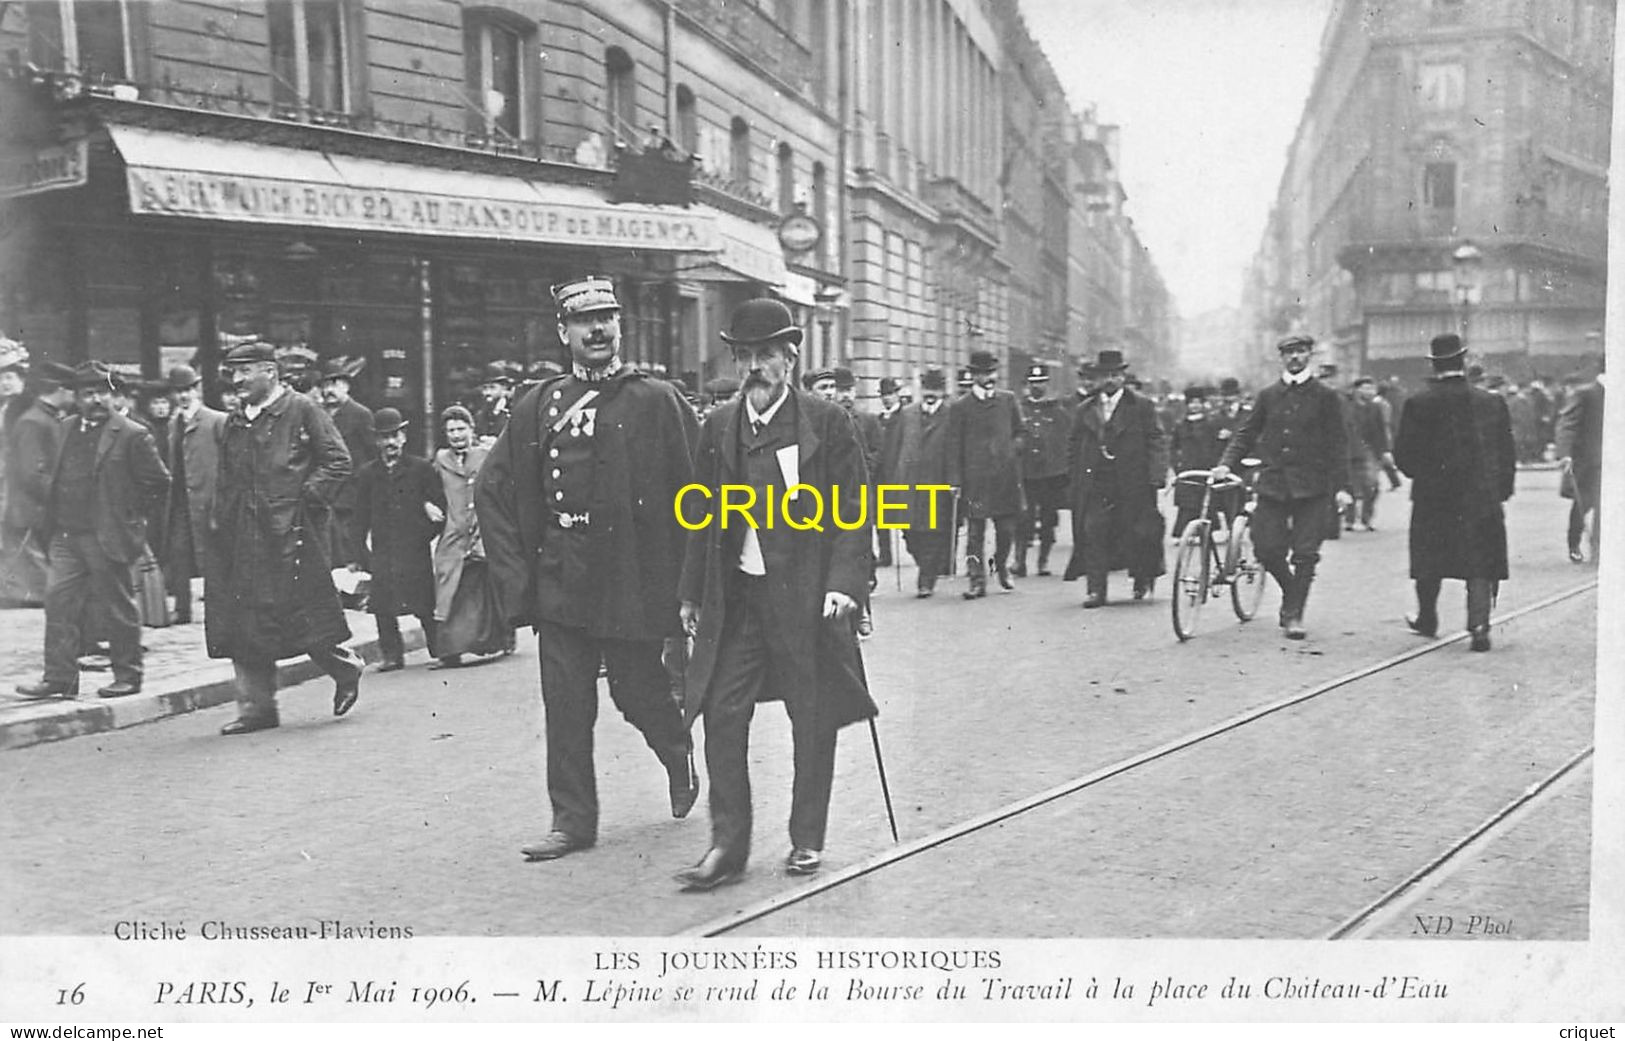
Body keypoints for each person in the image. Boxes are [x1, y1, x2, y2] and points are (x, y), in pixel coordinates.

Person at [476, 275, 698, 863]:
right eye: (583, 321)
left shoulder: (655, 399)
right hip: (562, 576)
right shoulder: (538, 405)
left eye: (606, 318)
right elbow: (492, 489)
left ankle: (676, 751)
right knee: (566, 701)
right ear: (562, 332)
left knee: (638, 691)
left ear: (620, 327)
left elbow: (698, 493)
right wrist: (515, 579)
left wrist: (690, 583)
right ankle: (571, 821)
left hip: (630, 576)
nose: (597, 329)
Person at [674, 297, 876, 889]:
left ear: (790, 358)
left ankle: (806, 839)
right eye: (744, 357)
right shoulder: (719, 426)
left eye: (765, 355)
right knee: (721, 713)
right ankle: (726, 847)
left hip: (806, 601)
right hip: (740, 600)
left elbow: (853, 513)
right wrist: (691, 593)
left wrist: (846, 587)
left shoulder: (826, 422)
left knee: (811, 718)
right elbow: (701, 516)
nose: (754, 367)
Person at [207, 340, 364, 735]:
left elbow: (338, 461)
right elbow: (227, 478)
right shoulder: (235, 421)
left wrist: (304, 502)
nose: (236, 380)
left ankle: (346, 669)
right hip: (245, 536)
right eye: (232, 372)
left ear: (270, 372)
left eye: (245, 371)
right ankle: (256, 709)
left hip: (292, 536)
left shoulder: (302, 409)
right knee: (244, 621)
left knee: (305, 617)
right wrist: (221, 521)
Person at [15, 362, 169, 700]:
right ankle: (60, 678)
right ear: (76, 397)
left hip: (106, 535)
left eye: (102, 393)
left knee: (117, 606)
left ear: (113, 395)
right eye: (88, 394)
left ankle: (128, 675)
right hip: (66, 536)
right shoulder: (65, 428)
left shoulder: (132, 433)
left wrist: (130, 517)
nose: (96, 400)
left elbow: (158, 483)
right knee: (58, 603)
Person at [1212, 334, 1352, 640]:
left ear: (1309, 356)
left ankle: (1294, 614)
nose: (1295, 358)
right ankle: (1292, 592)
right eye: (1289, 353)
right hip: (1274, 484)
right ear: (1282, 358)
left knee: (1305, 553)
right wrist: (1226, 463)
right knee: (1266, 548)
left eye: (1301, 352)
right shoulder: (1268, 395)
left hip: (1313, 486)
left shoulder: (1326, 397)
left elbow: (1338, 444)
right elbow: (1245, 434)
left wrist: (1342, 486)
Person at [1392, 333, 1516, 652]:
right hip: (1481, 496)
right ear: (1463, 360)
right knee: (1480, 561)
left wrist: (1423, 475)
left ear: (1434, 365)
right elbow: (1506, 453)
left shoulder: (1418, 403)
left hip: (1433, 497)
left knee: (1428, 558)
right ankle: (1479, 627)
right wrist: (1500, 491)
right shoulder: (1491, 401)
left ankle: (1428, 619)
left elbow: (1404, 457)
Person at [1062, 349, 1167, 606]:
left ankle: (1142, 578)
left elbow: (1156, 439)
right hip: (1096, 483)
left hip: (1133, 482)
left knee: (1138, 534)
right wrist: (1074, 481)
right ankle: (1096, 590)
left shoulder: (1140, 405)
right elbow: (1074, 446)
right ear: (1097, 379)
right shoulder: (1086, 409)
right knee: (1093, 532)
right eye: (1104, 376)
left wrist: (1156, 475)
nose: (1109, 380)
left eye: (1114, 375)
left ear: (1122, 377)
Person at [350, 407, 445, 672]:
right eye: (384, 437)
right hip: (382, 548)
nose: (390, 442)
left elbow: (439, 508)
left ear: (404, 437)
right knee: (383, 605)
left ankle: (439, 648)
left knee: (425, 601)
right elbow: (359, 517)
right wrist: (359, 553)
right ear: (376, 441)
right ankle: (392, 655)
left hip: (414, 548)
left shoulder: (421, 468)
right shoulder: (368, 474)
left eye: (395, 435)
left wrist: (423, 535)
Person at [429, 405, 510, 667]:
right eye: (450, 430)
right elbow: (428, 490)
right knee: (447, 583)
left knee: (486, 584)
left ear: (471, 430)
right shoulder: (440, 461)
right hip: (454, 533)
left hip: (482, 531)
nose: (456, 435)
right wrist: (427, 506)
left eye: (461, 429)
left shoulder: (487, 455)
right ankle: (449, 649)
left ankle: (498, 638)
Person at [947, 349, 1025, 598]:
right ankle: (976, 580)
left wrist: (1012, 450)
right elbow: (953, 446)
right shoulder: (961, 407)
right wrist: (955, 481)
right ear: (973, 376)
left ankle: (1001, 565)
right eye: (982, 373)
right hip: (975, 481)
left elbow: (1021, 432)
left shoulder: (1008, 400)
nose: (989, 377)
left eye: (992, 372)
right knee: (974, 533)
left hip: (1005, 479)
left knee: (1006, 531)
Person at [2, 360, 74, 609]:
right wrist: (60, 495)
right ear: (61, 390)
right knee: (35, 569)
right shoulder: (34, 422)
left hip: (39, 507)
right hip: (31, 509)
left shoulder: (45, 418)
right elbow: (31, 472)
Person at [878, 368, 955, 596]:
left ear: (942, 391)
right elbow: (894, 447)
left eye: (936, 390)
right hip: (909, 483)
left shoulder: (951, 415)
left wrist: (954, 480)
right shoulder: (907, 414)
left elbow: (956, 450)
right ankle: (926, 565)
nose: (931, 394)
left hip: (937, 484)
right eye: (927, 390)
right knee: (910, 535)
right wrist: (891, 480)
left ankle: (926, 578)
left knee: (932, 532)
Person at [161, 365, 225, 625]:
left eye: (188, 390)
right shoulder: (173, 423)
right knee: (178, 554)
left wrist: (221, 500)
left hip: (208, 500)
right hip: (179, 501)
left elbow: (228, 464)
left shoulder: (216, 420)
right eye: (178, 391)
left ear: (197, 389)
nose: (184, 396)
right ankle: (183, 608)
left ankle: (219, 609)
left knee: (214, 556)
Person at [1015, 363, 1072, 578]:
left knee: (1048, 519)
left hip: (1050, 475)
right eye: (1032, 383)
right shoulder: (1019, 409)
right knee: (1023, 518)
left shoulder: (1058, 411)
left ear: (1047, 384)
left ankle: (1043, 561)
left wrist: (1064, 472)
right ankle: (1020, 560)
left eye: (1040, 383)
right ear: (1027, 385)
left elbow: (1066, 442)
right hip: (1026, 473)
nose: (1036, 387)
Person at [319, 355, 375, 567]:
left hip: (352, 493)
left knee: (351, 548)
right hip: (326, 493)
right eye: (325, 385)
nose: (328, 390)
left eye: (335, 384)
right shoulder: (319, 414)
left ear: (346, 386)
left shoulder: (360, 414)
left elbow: (372, 454)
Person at [1555, 361, 1605, 564]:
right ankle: (1574, 543)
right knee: (1583, 504)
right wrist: (1565, 453)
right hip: (1589, 461)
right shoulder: (1587, 393)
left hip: (1611, 462)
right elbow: (1567, 424)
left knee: (1606, 506)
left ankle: (1599, 549)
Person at [1169, 384, 1229, 538]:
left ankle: (1209, 531)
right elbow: (1173, 448)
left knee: (1207, 500)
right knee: (1187, 503)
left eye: (1198, 402)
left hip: (1206, 466)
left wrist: (1218, 458)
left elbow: (1219, 446)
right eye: (1191, 403)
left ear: (1203, 404)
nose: (1195, 406)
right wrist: (1177, 465)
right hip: (1188, 467)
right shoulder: (1180, 426)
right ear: (1187, 405)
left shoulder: (1212, 424)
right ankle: (1183, 533)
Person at [1344, 376, 1397, 531]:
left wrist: (1386, 450)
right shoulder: (1346, 407)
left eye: (1371, 388)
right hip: (1350, 451)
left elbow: (1380, 430)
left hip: (1370, 451)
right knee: (1350, 486)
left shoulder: (1375, 408)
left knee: (1372, 485)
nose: (1369, 392)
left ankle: (1367, 518)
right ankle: (1350, 518)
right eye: (1365, 388)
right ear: (1356, 390)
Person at [472, 361, 516, 445]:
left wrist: (497, 442)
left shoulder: (513, 411)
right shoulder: (479, 414)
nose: (488, 392)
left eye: (492, 388)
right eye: (485, 388)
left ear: (504, 388)